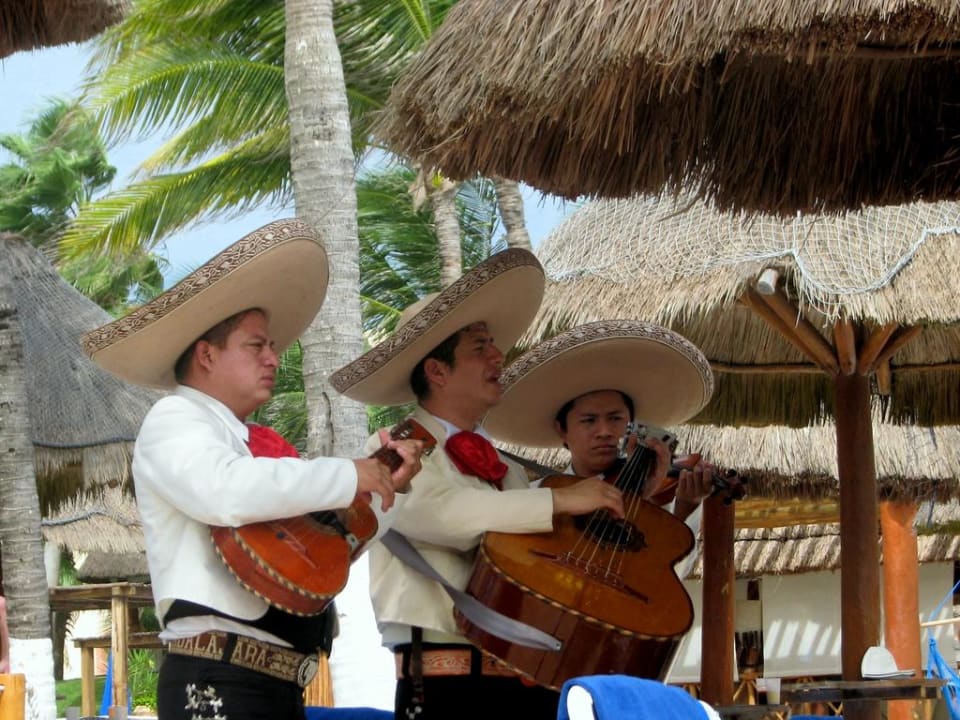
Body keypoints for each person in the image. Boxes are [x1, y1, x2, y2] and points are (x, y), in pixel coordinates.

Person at [82, 219, 424, 720]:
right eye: (256, 345)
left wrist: (390, 488)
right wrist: (353, 473)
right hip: (217, 679)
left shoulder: (248, 449)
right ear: (206, 354)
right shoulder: (175, 417)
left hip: (268, 684)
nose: (273, 357)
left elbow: (330, 549)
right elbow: (227, 492)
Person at [329, 249, 625, 720]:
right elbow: (442, 514)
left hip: (522, 672)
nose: (498, 355)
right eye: (479, 347)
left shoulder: (510, 469)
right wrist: (557, 499)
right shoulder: (392, 448)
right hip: (444, 680)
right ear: (437, 371)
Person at [483, 318, 721, 566]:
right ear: (562, 430)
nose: (605, 431)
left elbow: (668, 577)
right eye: (588, 420)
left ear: (632, 426)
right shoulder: (534, 496)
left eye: (616, 418)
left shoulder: (658, 504)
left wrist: (680, 507)